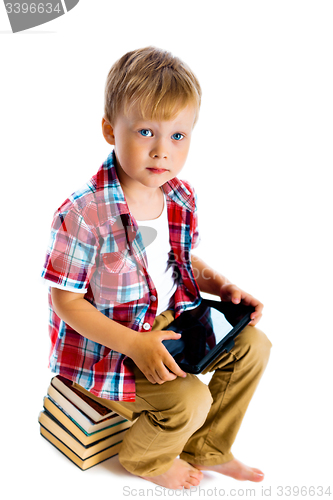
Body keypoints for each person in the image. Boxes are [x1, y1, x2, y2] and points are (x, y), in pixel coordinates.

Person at [41, 46, 272, 490]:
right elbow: (66, 301)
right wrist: (134, 345)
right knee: (189, 398)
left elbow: (179, 260)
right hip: (107, 345)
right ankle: (146, 460)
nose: (162, 151)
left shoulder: (179, 196)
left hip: (169, 320)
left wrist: (222, 286)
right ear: (111, 129)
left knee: (254, 348)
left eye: (178, 136)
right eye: (146, 131)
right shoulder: (84, 211)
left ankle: (208, 449)